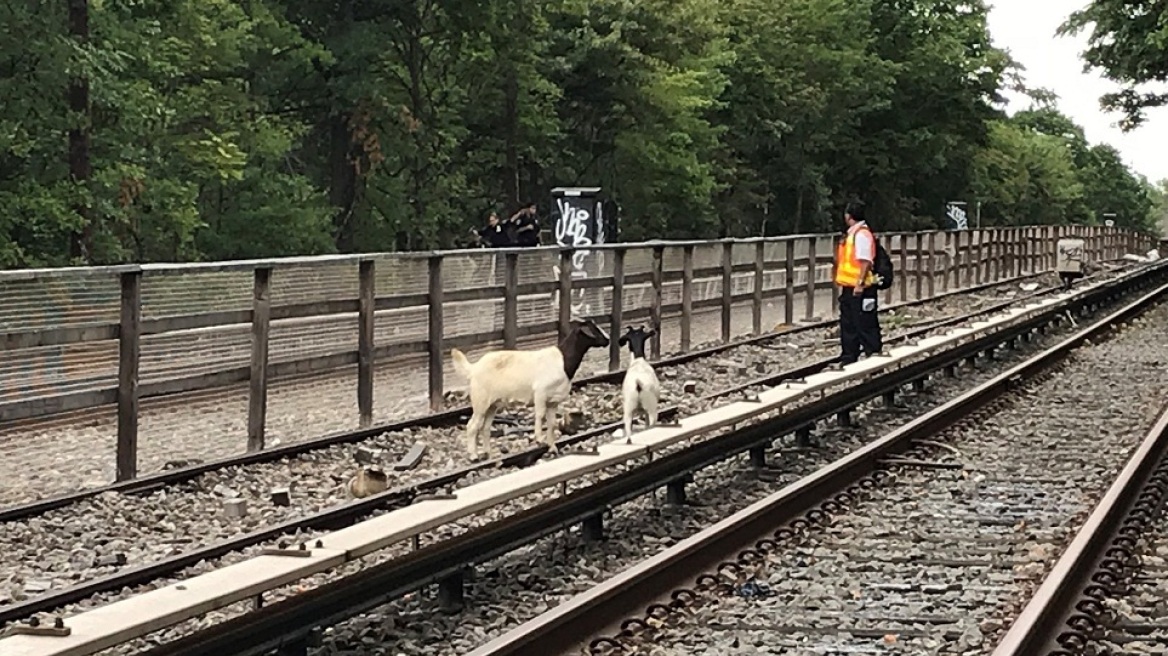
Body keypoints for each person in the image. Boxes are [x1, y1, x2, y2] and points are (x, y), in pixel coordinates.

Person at [835, 200, 882, 364]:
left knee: (864, 323)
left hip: (860, 288)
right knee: (849, 324)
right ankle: (849, 357)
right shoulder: (853, 234)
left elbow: (865, 261)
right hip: (850, 286)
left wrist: (859, 283)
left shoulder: (860, 234)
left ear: (848, 216)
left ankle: (873, 356)